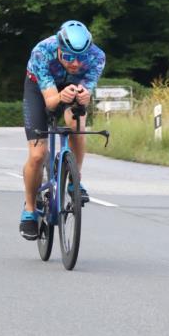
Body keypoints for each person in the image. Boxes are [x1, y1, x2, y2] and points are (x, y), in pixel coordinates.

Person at [20, 20, 105, 239]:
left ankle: (75, 179)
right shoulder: (42, 51)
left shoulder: (97, 57)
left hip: (72, 89)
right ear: (59, 48)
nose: (75, 63)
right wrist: (59, 96)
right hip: (40, 91)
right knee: (38, 155)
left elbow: (85, 92)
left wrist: (85, 96)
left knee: (77, 123)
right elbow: (50, 102)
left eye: (81, 57)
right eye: (68, 57)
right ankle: (29, 209)